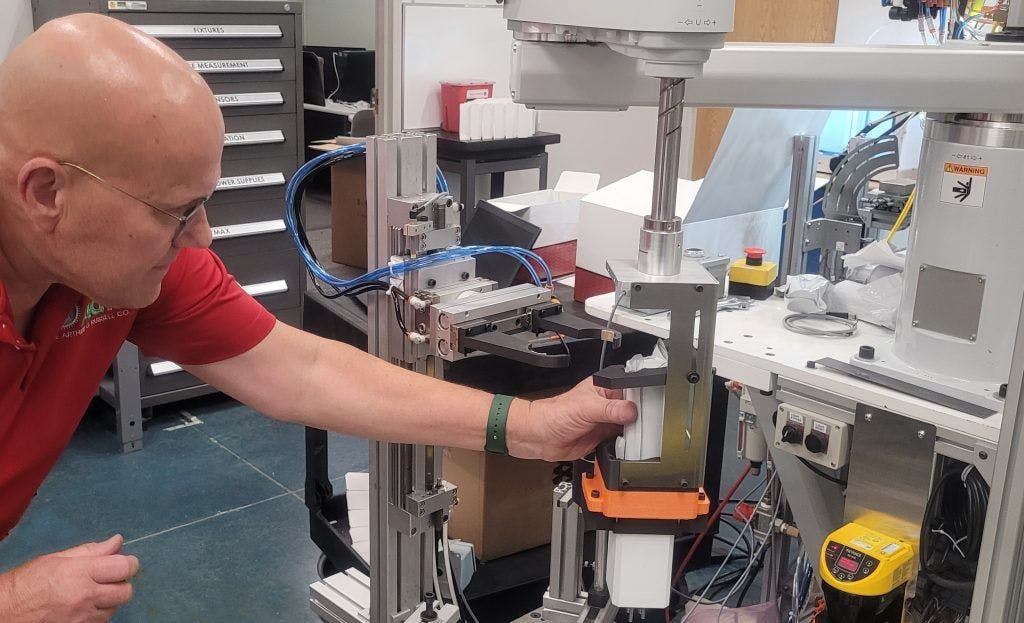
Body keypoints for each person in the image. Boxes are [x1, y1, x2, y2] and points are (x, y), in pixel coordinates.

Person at [0, 14, 637, 622]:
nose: (202, 237)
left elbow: (293, 368)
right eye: (176, 210)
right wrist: (14, 600)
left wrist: (531, 426)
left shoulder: (125, 265)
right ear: (45, 193)